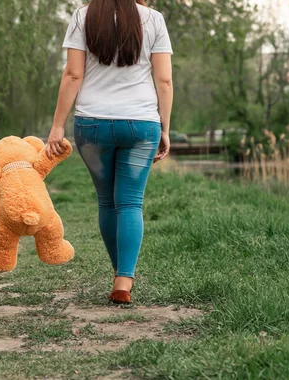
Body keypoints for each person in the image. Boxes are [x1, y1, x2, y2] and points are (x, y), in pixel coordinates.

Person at [46, 0, 173, 304]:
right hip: (140, 125)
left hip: (92, 125)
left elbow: (73, 75)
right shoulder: (154, 19)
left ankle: (120, 274)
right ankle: (124, 279)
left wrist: (57, 127)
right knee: (129, 202)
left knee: (107, 202)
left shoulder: (82, 16)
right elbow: (164, 79)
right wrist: (165, 128)